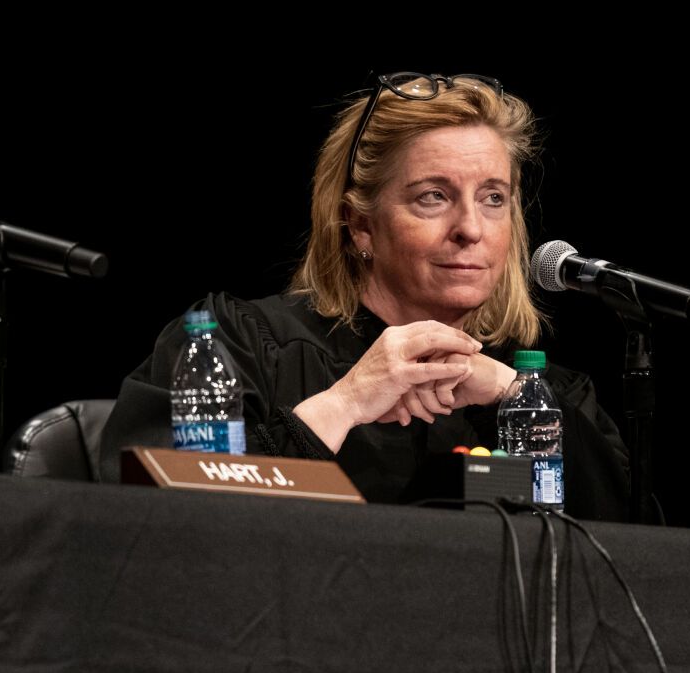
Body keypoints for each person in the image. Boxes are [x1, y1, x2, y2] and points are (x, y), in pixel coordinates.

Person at [98, 71, 629, 518]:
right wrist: (345, 403)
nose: (471, 228)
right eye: (433, 197)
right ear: (360, 226)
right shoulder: (236, 347)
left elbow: (637, 555)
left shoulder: (541, 389)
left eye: (494, 198)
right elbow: (152, 512)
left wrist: (515, 397)